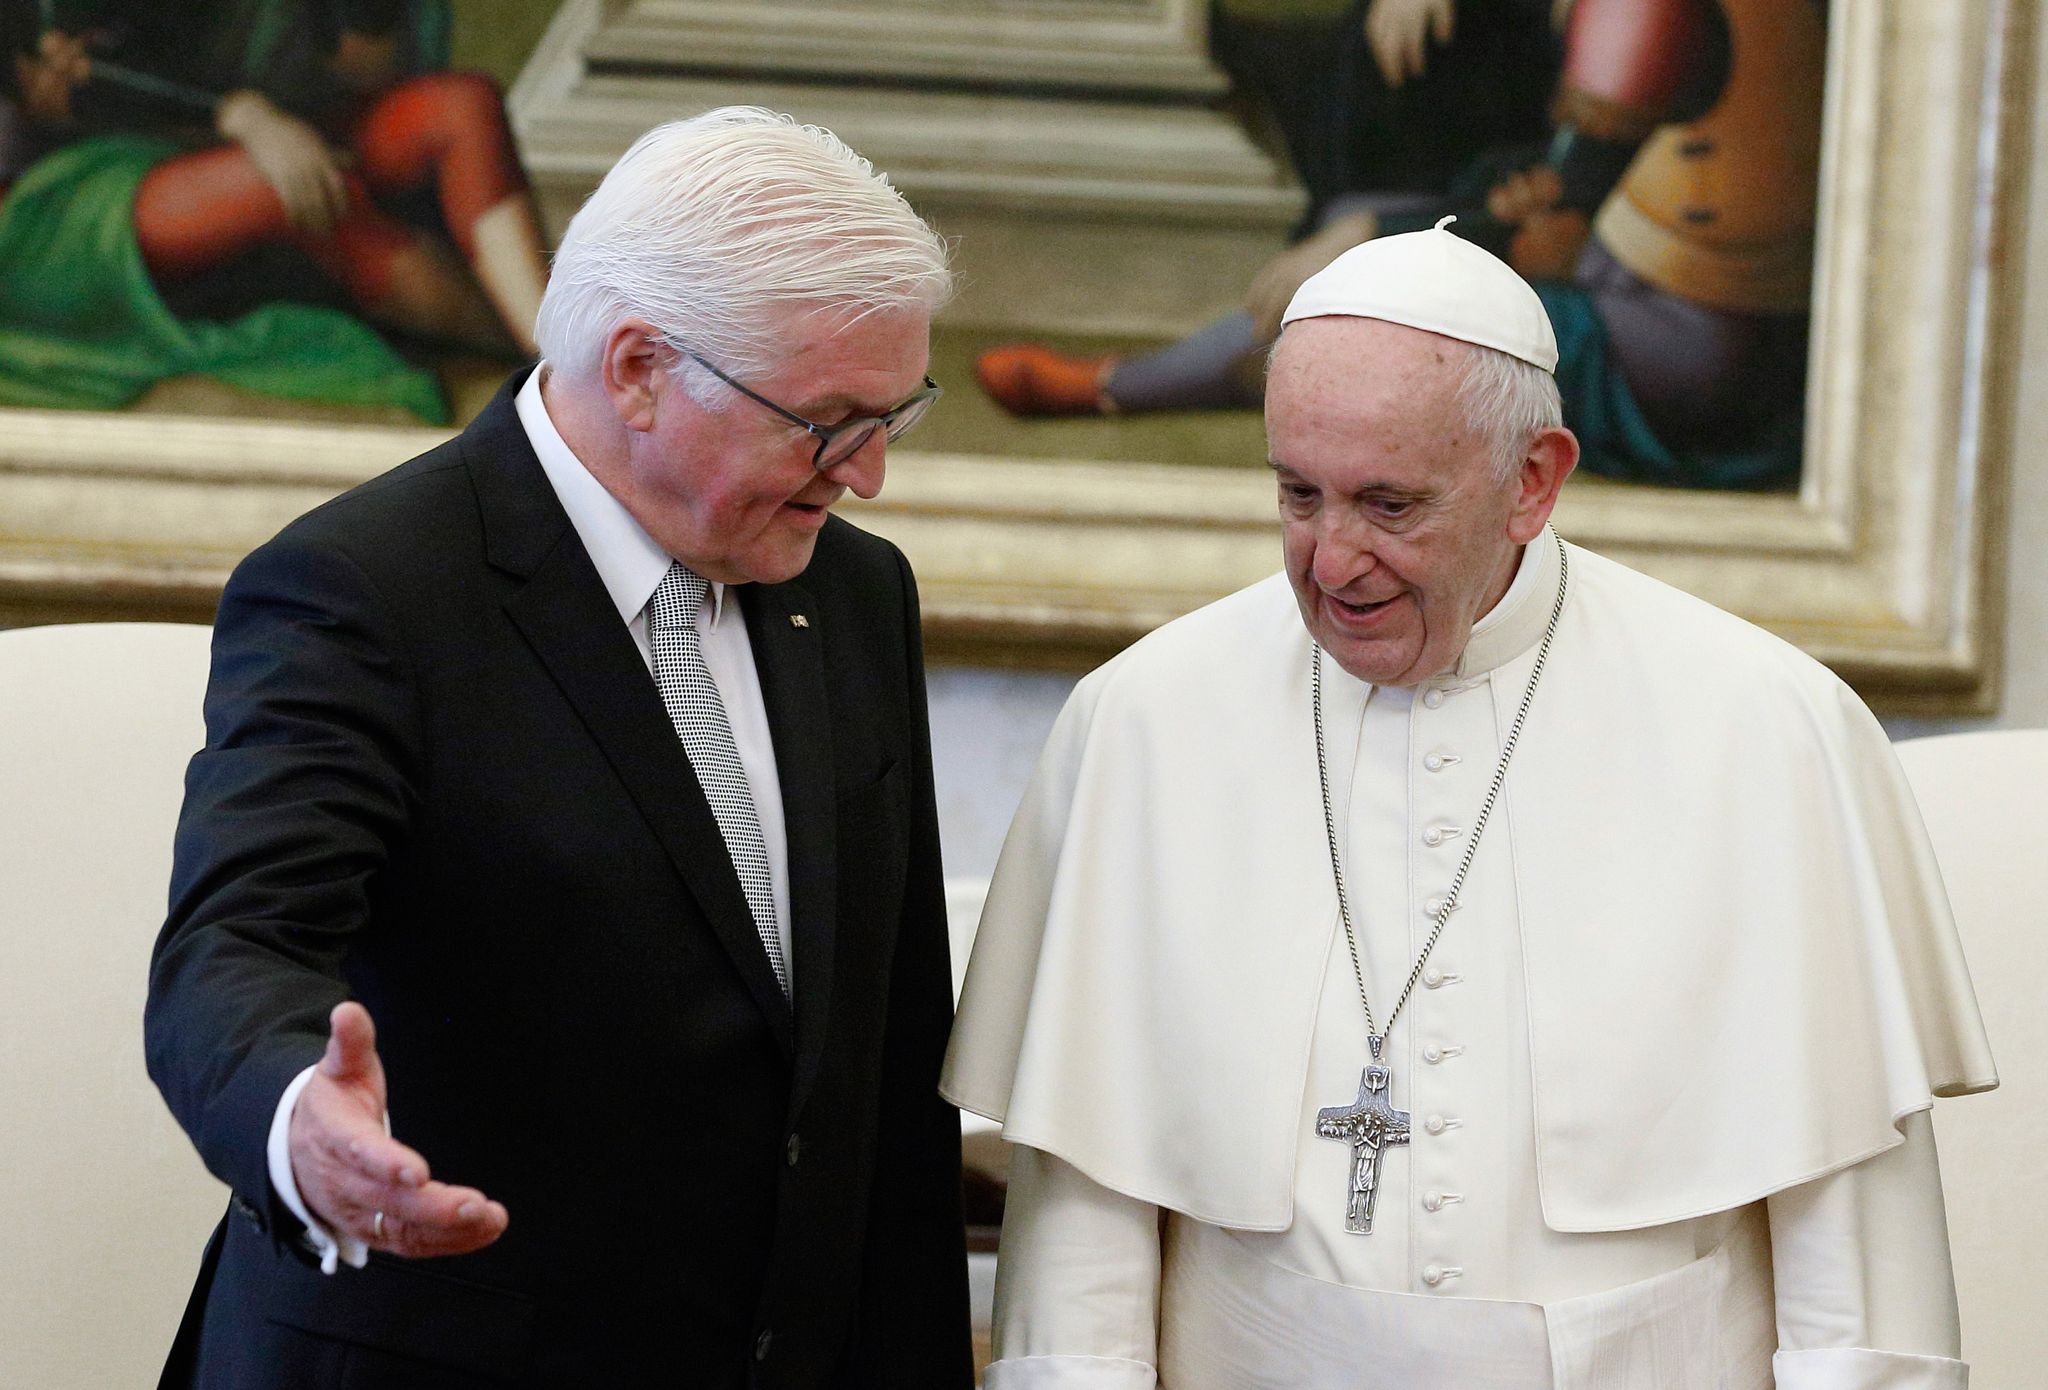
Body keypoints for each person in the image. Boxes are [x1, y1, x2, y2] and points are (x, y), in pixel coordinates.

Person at [942, 224, 1994, 1387]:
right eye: (1299, 494)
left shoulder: (1767, 723)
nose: (1332, 561)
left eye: (1389, 506)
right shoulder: (1142, 720)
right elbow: (1087, 1209)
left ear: (1530, 481)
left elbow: (1850, 1227)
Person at [147, 106, 972, 1387]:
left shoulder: (856, 596)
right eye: (826, 423)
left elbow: (884, 1060)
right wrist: (297, 1122)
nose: (865, 477)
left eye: (891, 417)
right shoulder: (364, 586)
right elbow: (235, 940)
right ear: (639, 366)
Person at [978, 0, 1819, 491]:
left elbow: (1557, 225)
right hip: (1647, 282)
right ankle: (1193, 368)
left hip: (1683, 357)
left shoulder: (1649, 12)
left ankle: (1120, 386)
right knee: (1367, 218)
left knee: (1375, 278)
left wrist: (1367, 239)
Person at [0, 0, 551, 422]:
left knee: (462, 106)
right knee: (307, 193)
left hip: (287, 132)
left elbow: (366, 68)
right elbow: (75, 79)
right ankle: (530, 361)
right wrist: (243, 115)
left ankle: (547, 341)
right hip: (81, 187)